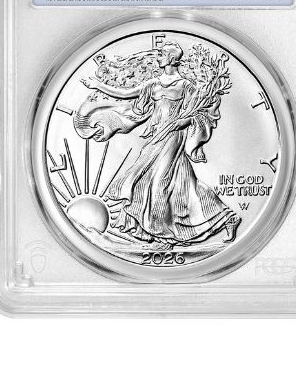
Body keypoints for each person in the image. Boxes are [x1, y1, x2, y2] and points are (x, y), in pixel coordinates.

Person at [77, 42, 240, 245]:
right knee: (175, 183)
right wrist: (97, 86)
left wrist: (184, 121)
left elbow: (202, 112)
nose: (159, 57)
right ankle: (225, 217)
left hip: (174, 136)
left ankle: (160, 231)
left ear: (171, 59)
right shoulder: (153, 84)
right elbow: (126, 94)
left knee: (159, 182)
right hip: (156, 137)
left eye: (162, 54)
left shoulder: (185, 86)